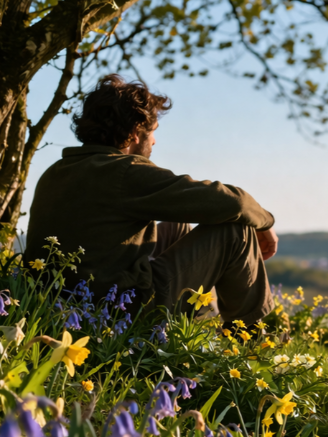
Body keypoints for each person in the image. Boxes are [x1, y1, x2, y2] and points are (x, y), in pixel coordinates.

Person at [23, 74, 278, 327]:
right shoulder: (123, 172)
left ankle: (198, 326)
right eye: (153, 131)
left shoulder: (56, 171)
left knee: (176, 227)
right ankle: (250, 341)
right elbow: (236, 204)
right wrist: (265, 223)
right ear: (135, 132)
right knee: (236, 232)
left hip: (61, 302)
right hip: (118, 313)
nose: (154, 140)